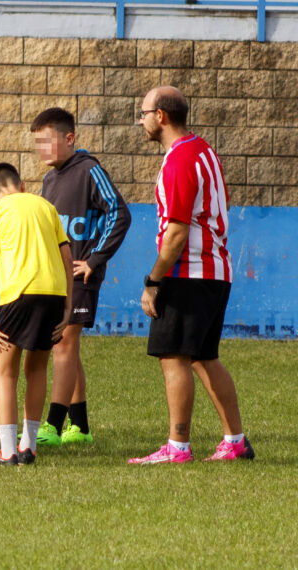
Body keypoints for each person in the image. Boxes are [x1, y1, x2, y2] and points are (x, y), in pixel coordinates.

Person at [129, 86, 254, 464]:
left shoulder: (179, 160)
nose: (141, 120)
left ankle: (177, 446)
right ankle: (235, 441)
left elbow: (177, 232)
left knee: (174, 356)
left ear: (161, 116)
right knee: (203, 356)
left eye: (144, 113)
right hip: (216, 271)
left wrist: (153, 281)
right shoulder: (204, 150)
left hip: (189, 273)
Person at [30, 107, 131, 446]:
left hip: (79, 277)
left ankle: (53, 426)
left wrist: (94, 260)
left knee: (63, 344)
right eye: (37, 144)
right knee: (67, 348)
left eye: (47, 142)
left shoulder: (90, 170)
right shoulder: (49, 180)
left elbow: (119, 212)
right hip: (54, 277)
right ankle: (81, 426)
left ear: (70, 138)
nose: (41, 150)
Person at [0, 163, 72, 466]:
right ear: (22, 184)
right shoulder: (47, 207)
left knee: (6, 370)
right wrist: (68, 307)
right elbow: (67, 258)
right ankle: (29, 447)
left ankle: (7, 452)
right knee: (38, 369)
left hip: (18, 294)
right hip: (54, 295)